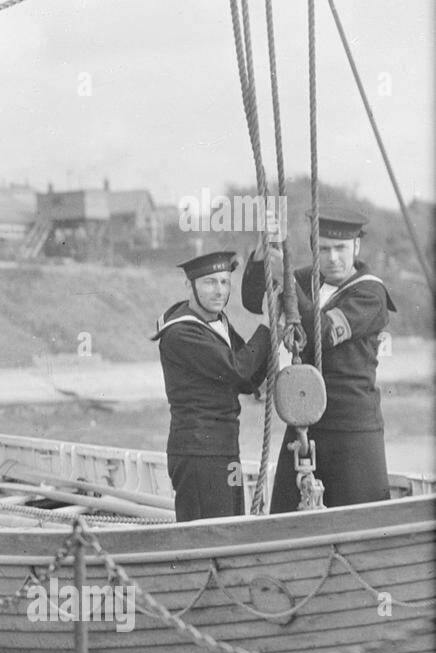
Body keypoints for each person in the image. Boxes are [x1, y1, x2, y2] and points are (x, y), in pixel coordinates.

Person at [241, 209, 397, 511]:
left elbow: (323, 333)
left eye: (340, 249)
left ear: (356, 247)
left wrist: (284, 277)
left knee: (360, 521)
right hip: (304, 421)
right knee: (285, 518)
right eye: (323, 249)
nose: (332, 258)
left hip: (351, 429)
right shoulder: (308, 280)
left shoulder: (371, 293)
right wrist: (263, 257)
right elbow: (252, 301)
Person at [152, 251, 272, 521]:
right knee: (210, 532)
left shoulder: (218, 324)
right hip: (199, 453)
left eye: (225, 282)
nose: (220, 291)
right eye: (210, 282)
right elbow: (238, 368)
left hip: (226, 449)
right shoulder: (182, 333)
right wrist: (267, 325)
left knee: (233, 521)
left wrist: (275, 339)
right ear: (190, 286)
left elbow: (248, 379)